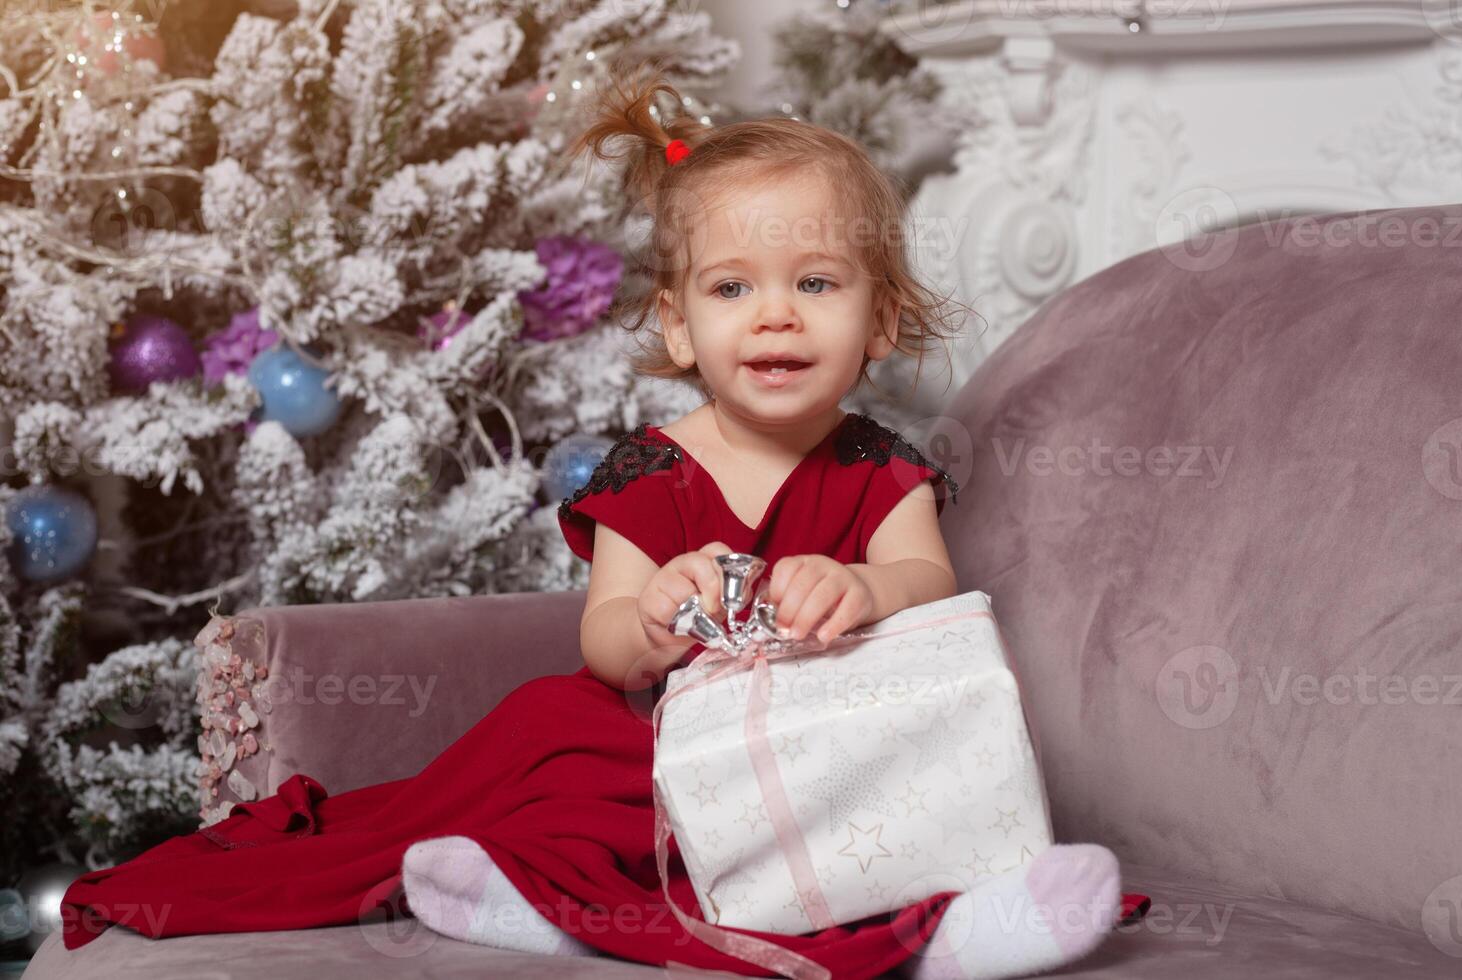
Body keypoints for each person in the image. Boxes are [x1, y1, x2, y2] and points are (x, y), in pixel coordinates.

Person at [59, 59, 1148, 979]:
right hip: (679, 744)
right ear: (676, 326)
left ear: (882, 320)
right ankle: (541, 897)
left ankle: (957, 927)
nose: (774, 312)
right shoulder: (654, 469)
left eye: (816, 281)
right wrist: (659, 614)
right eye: (732, 289)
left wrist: (865, 587)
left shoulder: (880, 467)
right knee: (564, 737)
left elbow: (931, 586)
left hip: (827, 737)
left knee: (912, 757)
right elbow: (608, 640)